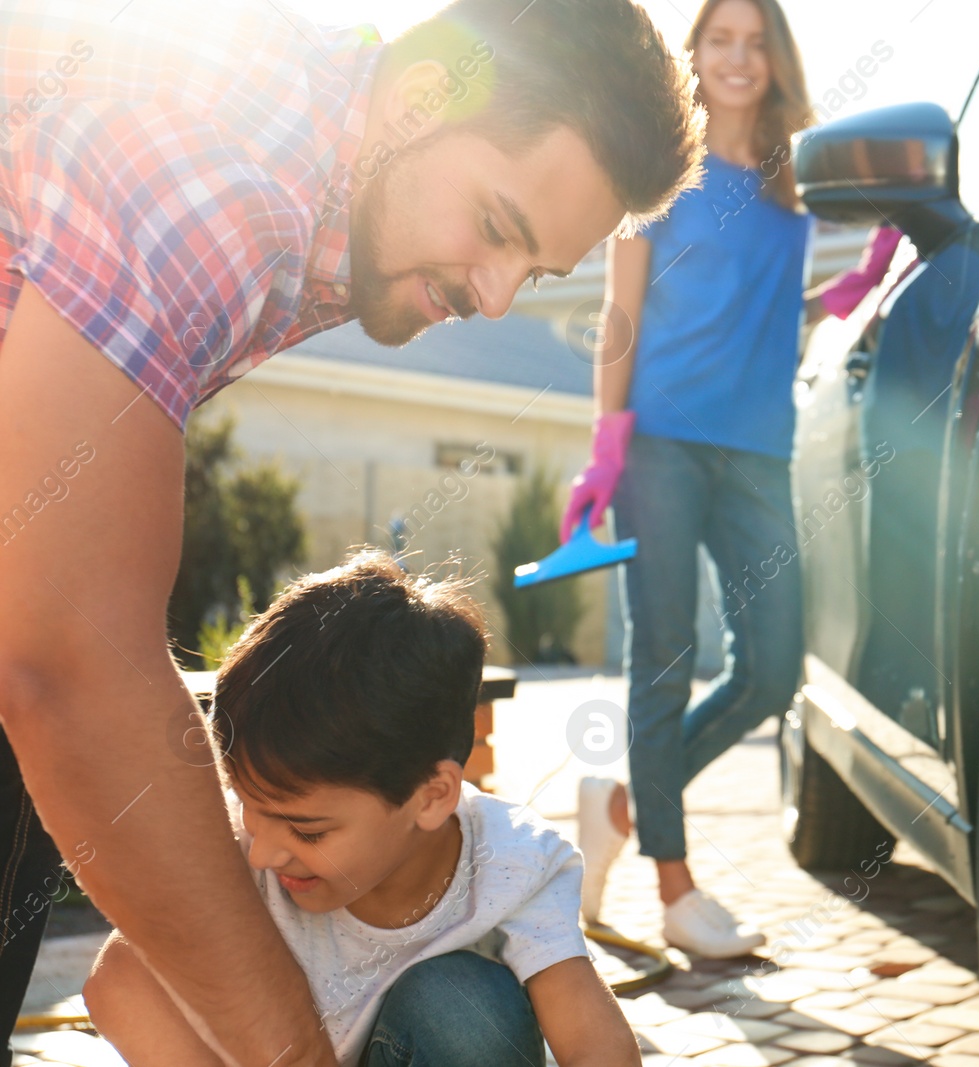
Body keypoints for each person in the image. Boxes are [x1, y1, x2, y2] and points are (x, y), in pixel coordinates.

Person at [0, 0, 703, 1061]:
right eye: (499, 226)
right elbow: (67, 663)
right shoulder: (219, 185)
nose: (496, 295)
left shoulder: (340, 186)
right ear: (419, 103)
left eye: (538, 271)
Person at [562, 0, 898, 959]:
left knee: (772, 666)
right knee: (662, 660)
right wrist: (605, 443)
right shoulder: (658, 174)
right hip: (660, 442)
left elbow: (793, 307)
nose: (738, 57)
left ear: (775, 58)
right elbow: (619, 316)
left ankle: (624, 802)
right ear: (694, 53)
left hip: (758, 451)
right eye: (721, 38)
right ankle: (674, 889)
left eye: (756, 41)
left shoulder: (798, 184)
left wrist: (873, 268)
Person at [83, 551, 637, 1067]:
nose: (266, 851)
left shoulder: (513, 863)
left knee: (464, 1004)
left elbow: (595, 1045)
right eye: (249, 805)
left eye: (307, 831)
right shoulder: (237, 846)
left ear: (431, 796)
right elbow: (121, 978)